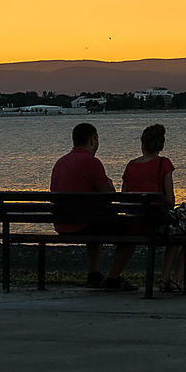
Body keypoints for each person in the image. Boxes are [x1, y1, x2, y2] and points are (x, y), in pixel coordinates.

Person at [50, 123, 137, 291]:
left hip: (61, 223)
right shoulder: (92, 162)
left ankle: (94, 274)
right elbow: (109, 196)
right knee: (133, 229)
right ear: (92, 139)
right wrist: (110, 184)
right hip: (82, 224)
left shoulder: (60, 162)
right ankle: (113, 278)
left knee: (94, 220)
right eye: (96, 139)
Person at [121, 123, 186, 292]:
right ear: (161, 145)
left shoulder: (130, 166)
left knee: (173, 228)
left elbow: (124, 199)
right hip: (155, 226)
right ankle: (176, 279)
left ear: (142, 144)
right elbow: (170, 201)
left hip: (133, 226)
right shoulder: (164, 164)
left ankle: (165, 279)